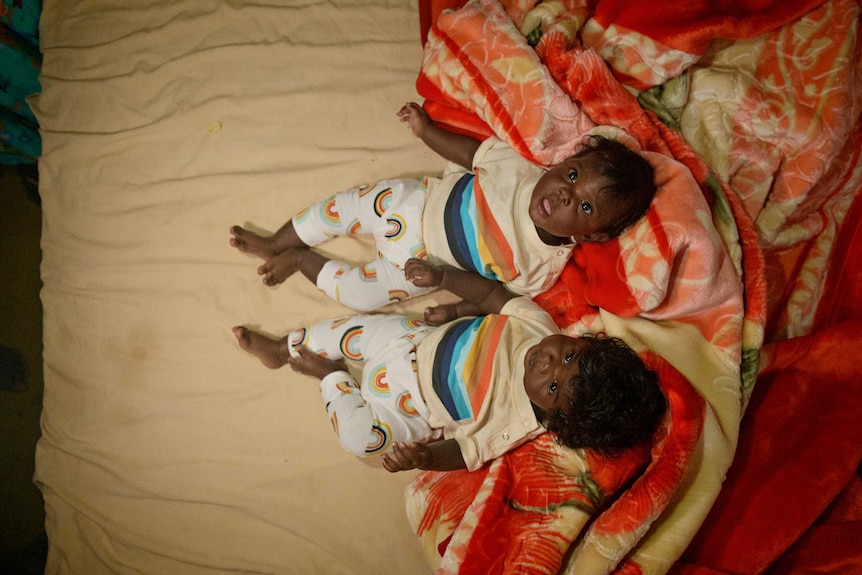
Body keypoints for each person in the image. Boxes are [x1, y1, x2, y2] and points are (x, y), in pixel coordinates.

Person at [229, 101, 656, 321]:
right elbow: (473, 154)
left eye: (584, 206)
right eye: (573, 174)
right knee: (336, 209)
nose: (565, 193)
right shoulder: (521, 170)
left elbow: (489, 295)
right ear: (563, 163)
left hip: (417, 266)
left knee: (358, 296)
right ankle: (276, 242)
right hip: (412, 203)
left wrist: (449, 301)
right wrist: (427, 131)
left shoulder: (541, 267)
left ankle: (302, 260)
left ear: (595, 235)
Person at [233, 259, 666, 472]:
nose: (548, 364)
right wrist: (444, 280)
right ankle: (283, 348)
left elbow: (465, 451)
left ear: (557, 419)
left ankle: (330, 378)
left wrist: (424, 457)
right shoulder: (536, 328)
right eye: (569, 355)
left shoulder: (517, 423)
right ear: (583, 342)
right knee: (354, 329)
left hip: (407, 407)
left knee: (363, 440)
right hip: (409, 341)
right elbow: (494, 296)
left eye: (553, 388)